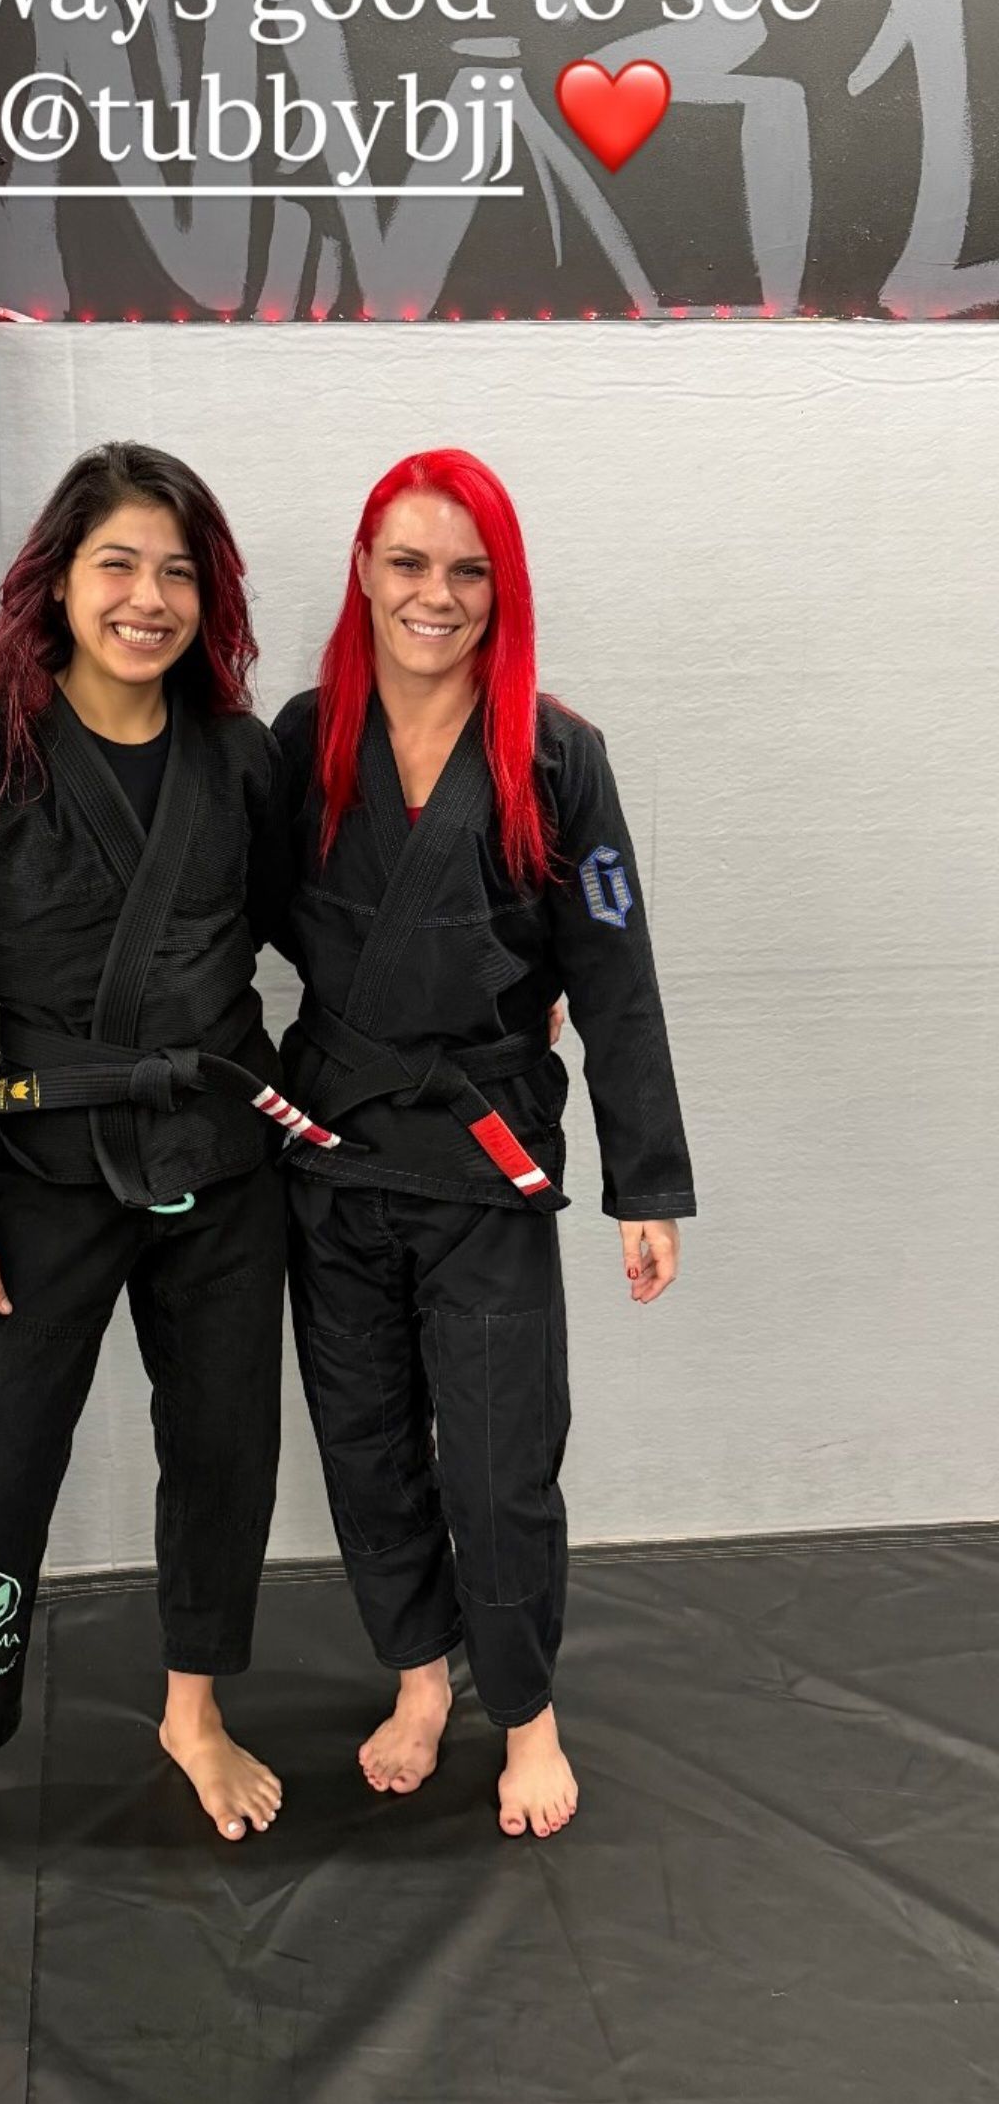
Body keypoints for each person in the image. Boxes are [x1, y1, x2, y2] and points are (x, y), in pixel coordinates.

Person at [0, 442, 332, 1929]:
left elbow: (316, 926)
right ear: (57, 580)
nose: (148, 598)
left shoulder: (239, 757)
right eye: (119, 563)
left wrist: (490, 998)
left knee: (225, 1447)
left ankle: (193, 1710)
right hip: (48, 1167)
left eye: (179, 572)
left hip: (223, 1159)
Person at [271, 448, 696, 1839]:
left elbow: (614, 968)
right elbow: (238, 914)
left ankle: (525, 1712)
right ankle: (417, 1678)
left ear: (501, 588)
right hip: (334, 1147)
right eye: (409, 562)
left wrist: (645, 1183)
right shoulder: (304, 740)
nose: (436, 595)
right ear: (363, 571)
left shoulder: (558, 757)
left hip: (485, 1156)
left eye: (469, 569)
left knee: (503, 1457)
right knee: (365, 1440)